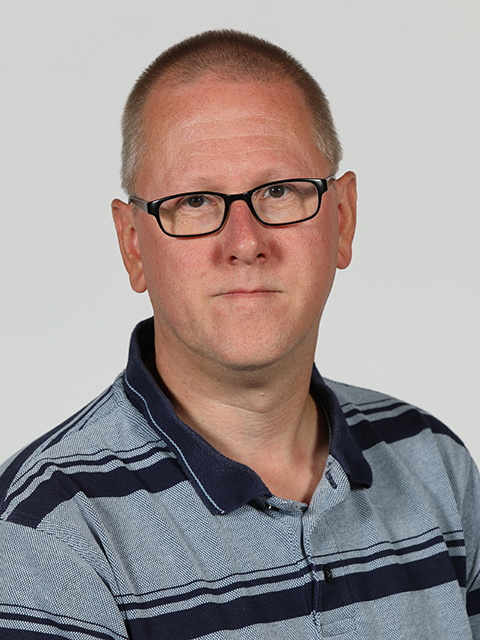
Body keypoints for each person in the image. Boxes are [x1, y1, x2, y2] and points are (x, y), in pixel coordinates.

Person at [0, 29, 479, 640]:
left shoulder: (436, 465)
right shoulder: (46, 533)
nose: (245, 242)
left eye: (279, 191)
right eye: (195, 201)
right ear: (133, 245)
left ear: (342, 219)